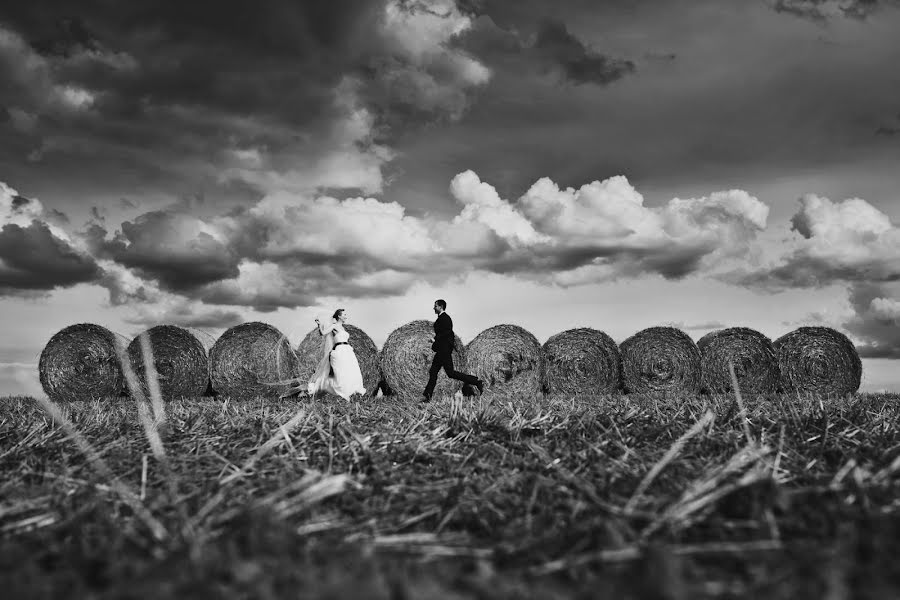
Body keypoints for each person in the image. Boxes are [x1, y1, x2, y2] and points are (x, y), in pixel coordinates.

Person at [281, 309, 366, 401]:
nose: (346, 316)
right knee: (341, 373)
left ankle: (350, 392)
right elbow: (323, 333)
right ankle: (321, 388)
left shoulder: (343, 328)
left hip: (348, 351)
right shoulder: (334, 326)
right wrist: (319, 324)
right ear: (339, 316)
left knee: (350, 371)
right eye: (344, 314)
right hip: (339, 350)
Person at [422, 299, 484, 402]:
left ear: (440, 307)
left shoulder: (445, 318)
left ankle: (476, 381)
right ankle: (427, 396)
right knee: (433, 372)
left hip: (444, 351)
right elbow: (443, 334)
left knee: (450, 373)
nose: (434, 308)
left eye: (435, 306)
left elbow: (447, 333)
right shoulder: (441, 319)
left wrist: (435, 339)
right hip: (441, 351)